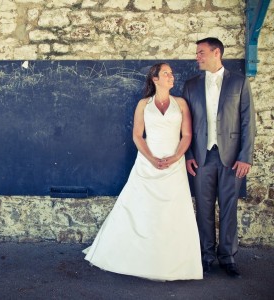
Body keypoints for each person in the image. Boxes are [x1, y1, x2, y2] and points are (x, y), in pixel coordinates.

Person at [83, 63, 203, 281]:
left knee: (173, 211)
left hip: (174, 163)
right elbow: (138, 135)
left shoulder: (181, 103)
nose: (171, 76)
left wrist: (176, 157)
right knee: (140, 208)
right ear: (155, 79)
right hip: (148, 161)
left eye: (171, 73)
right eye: (166, 73)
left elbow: (186, 135)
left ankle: (173, 262)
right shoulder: (143, 105)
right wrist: (151, 159)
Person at [182, 37, 256, 278]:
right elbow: (186, 125)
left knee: (228, 208)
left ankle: (227, 256)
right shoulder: (191, 85)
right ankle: (205, 255)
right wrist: (189, 154)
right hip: (202, 158)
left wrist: (245, 157)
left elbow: (248, 122)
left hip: (232, 158)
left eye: (201, 52)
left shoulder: (240, 83)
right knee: (203, 209)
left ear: (216, 53)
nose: (197, 57)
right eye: (197, 53)